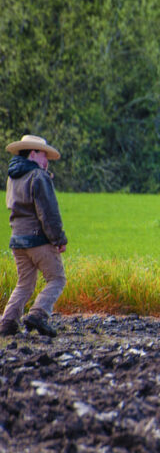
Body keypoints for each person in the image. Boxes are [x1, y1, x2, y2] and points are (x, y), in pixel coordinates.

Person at [1, 135, 68, 337]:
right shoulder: (38, 177)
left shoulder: (12, 178)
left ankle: (7, 322)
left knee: (25, 283)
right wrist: (58, 239)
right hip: (37, 239)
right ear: (33, 153)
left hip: (17, 240)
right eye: (43, 155)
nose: (46, 160)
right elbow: (48, 213)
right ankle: (38, 314)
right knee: (57, 278)